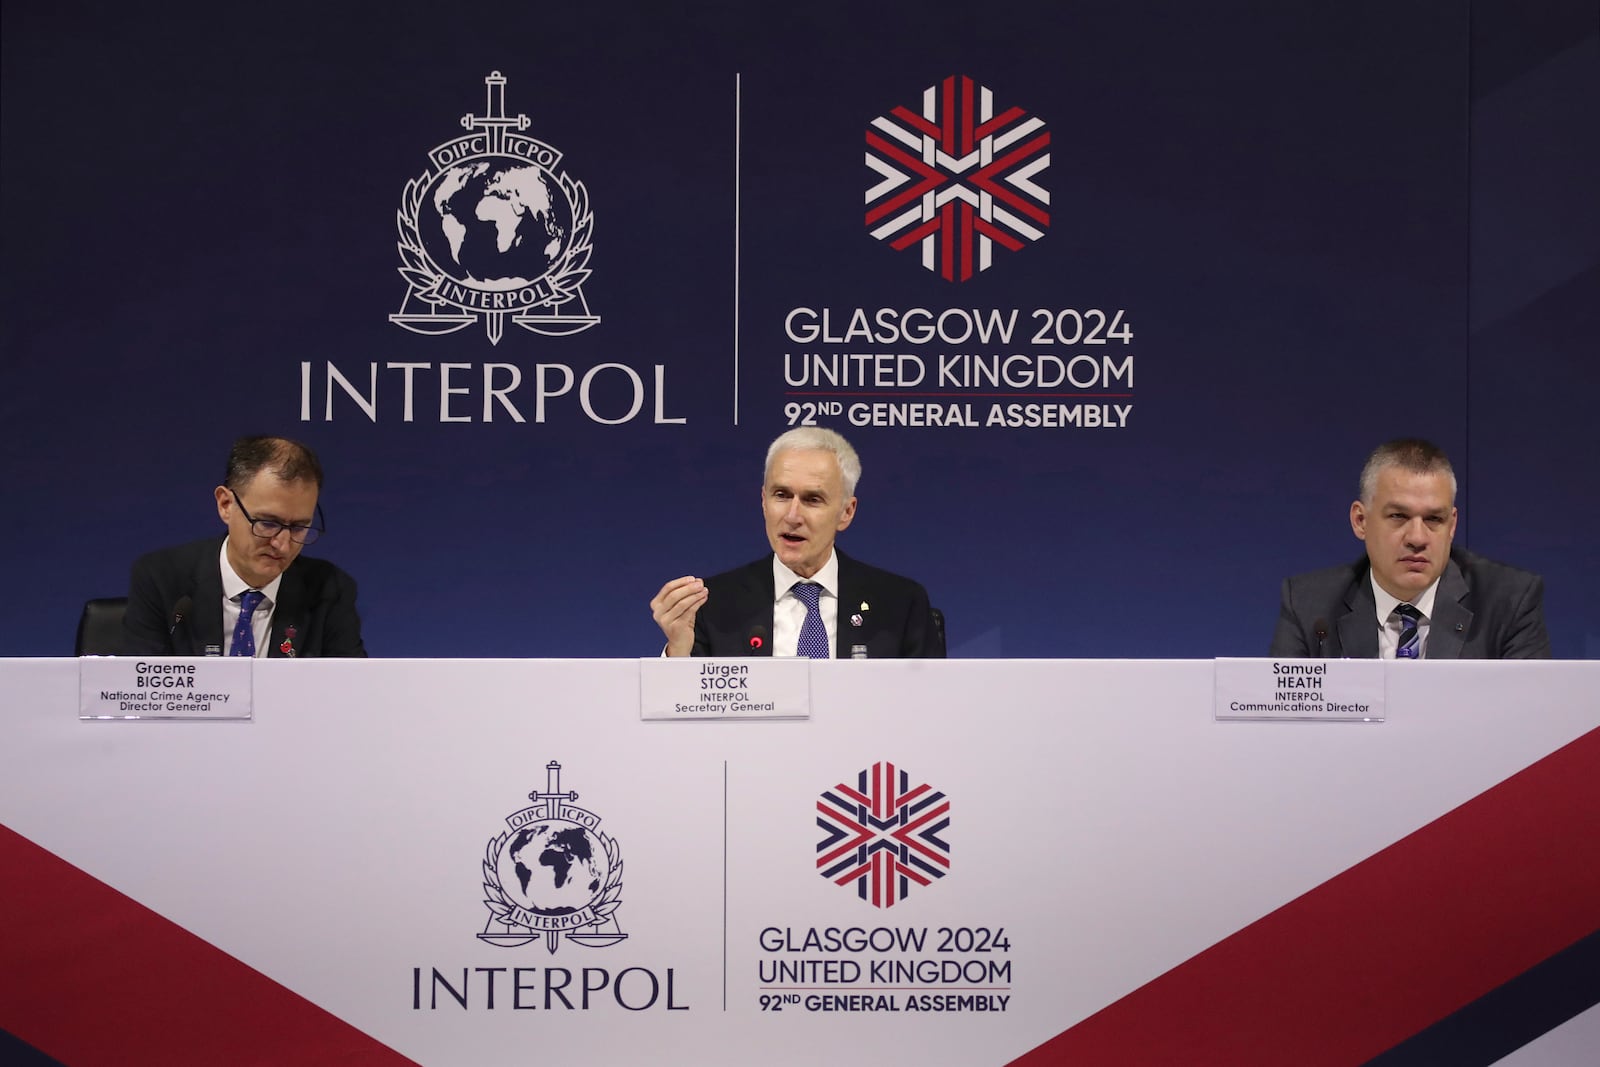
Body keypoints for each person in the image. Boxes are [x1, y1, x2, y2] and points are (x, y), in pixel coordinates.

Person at [650, 427, 942, 658]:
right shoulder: (712, 606)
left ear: (846, 512)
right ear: (763, 502)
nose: (792, 515)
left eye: (812, 499)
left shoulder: (900, 605)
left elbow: (927, 714)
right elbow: (682, 719)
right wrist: (678, 651)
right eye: (781, 495)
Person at [1269, 438, 1549, 659]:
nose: (1417, 537)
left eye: (1433, 519)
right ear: (1360, 521)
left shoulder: (1508, 603)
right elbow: (1283, 727)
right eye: (1398, 517)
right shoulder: (1309, 607)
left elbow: (1531, 721)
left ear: (1451, 526)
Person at [122, 436, 367, 657]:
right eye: (268, 523)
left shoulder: (330, 590)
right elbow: (144, 693)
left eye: (298, 527)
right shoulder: (162, 578)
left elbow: (351, 694)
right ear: (226, 504)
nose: (282, 544)